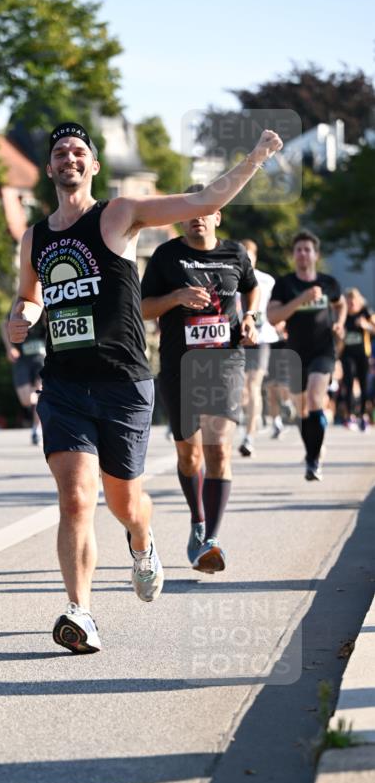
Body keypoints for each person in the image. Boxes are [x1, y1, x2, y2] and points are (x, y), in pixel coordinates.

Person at [9, 121, 282, 653]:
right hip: (64, 384)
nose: (68, 157)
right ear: (49, 168)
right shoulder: (35, 237)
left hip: (123, 384)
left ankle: (141, 540)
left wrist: (256, 157)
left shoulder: (120, 213)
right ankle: (81, 612)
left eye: (78, 151)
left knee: (125, 502)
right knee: (74, 498)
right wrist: (18, 318)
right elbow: (29, 297)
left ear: (91, 166)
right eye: (60, 151)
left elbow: (205, 197)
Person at [141, 189, 260, 576]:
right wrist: (176, 296)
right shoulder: (166, 257)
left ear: (217, 217)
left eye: (206, 211)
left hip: (224, 360)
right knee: (189, 454)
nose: (198, 217)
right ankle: (197, 520)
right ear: (180, 218)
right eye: (190, 211)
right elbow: (142, 308)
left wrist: (250, 317)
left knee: (219, 448)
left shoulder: (235, 254)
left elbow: (251, 286)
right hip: (180, 365)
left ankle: (210, 537)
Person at [268, 231, 346, 481]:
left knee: (315, 398)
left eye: (307, 249)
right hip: (295, 352)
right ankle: (312, 451)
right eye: (298, 249)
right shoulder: (285, 284)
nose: (303, 253)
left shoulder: (328, 282)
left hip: (323, 350)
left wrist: (340, 323)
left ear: (316, 254)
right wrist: (301, 299)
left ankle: (313, 462)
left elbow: (340, 303)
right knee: (302, 410)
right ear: (294, 255)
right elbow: (273, 317)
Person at [237, 239, 277, 458]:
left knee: (253, 385)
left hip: (261, 338)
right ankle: (253, 417)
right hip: (237, 340)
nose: (244, 260)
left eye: (248, 256)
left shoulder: (267, 281)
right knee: (242, 389)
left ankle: (249, 437)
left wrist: (279, 322)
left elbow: (274, 307)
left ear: (255, 257)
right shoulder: (230, 277)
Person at [0, 312, 46, 444]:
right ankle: (41, 409)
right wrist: (9, 348)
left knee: (40, 393)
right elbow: (4, 324)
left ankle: (36, 430)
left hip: (41, 358)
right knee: (26, 400)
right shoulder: (22, 302)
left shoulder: (46, 302)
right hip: (23, 359)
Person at [340, 287, 375, 431]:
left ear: (358, 301)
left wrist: (365, 325)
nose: (351, 305)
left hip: (363, 354)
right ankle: (350, 416)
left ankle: (363, 416)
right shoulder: (343, 315)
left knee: (363, 385)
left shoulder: (365, 312)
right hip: (347, 354)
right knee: (348, 382)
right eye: (348, 302)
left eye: (353, 302)